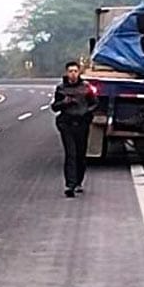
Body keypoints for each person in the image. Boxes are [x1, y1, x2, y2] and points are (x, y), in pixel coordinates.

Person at [51, 61, 98, 197]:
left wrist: (86, 111)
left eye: (75, 71)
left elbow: (95, 103)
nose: (73, 74)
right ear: (67, 73)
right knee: (70, 153)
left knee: (80, 154)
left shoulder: (86, 88)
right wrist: (64, 103)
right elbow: (54, 107)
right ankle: (69, 185)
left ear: (79, 73)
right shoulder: (61, 89)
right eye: (70, 71)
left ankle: (78, 182)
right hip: (66, 124)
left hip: (82, 124)